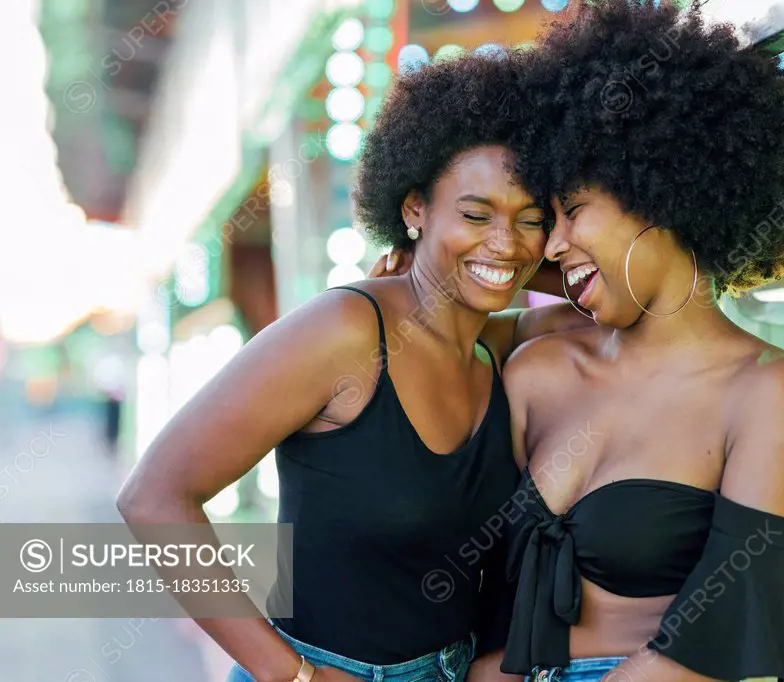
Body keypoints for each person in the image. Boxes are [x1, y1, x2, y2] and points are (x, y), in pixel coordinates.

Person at [116, 51, 576, 682]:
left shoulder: (496, 346)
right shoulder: (345, 333)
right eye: (474, 214)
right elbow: (154, 499)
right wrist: (292, 675)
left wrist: (518, 250)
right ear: (414, 208)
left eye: (531, 220)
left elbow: (612, 303)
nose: (505, 241)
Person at [495, 2, 784, 681]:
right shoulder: (534, 370)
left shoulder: (772, 391)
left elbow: (715, 636)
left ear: (658, 191)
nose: (554, 245)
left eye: (574, 209)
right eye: (546, 217)